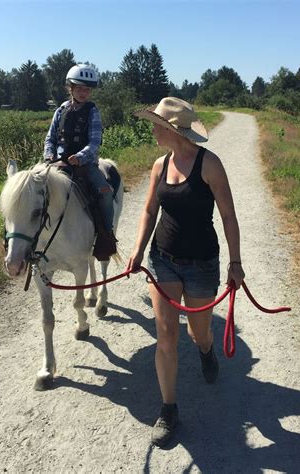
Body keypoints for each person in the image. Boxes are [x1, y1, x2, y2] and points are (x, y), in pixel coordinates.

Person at [127, 97, 245, 448]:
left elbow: (228, 216)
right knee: (166, 337)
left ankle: (207, 351)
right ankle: (168, 409)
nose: (151, 129)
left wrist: (235, 263)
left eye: (156, 124)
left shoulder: (210, 165)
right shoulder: (159, 165)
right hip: (163, 259)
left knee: (199, 333)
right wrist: (137, 250)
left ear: (171, 130)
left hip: (201, 264)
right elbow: (149, 211)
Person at [44, 63, 116, 259]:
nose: (84, 93)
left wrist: (80, 157)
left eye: (87, 89)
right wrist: (49, 155)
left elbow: (94, 143)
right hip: (58, 163)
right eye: (80, 88)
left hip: (85, 165)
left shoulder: (93, 111)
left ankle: (105, 236)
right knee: (35, 190)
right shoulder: (60, 110)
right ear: (70, 88)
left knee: (105, 192)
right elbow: (50, 138)